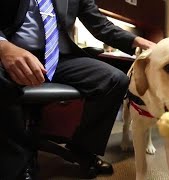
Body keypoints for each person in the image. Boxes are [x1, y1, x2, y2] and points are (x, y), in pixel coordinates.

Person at [0, 0, 155, 179]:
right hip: (10, 51)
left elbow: (100, 24)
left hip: (59, 59)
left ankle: (82, 148)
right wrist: (4, 47)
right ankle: (16, 164)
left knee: (115, 80)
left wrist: (139, 42)